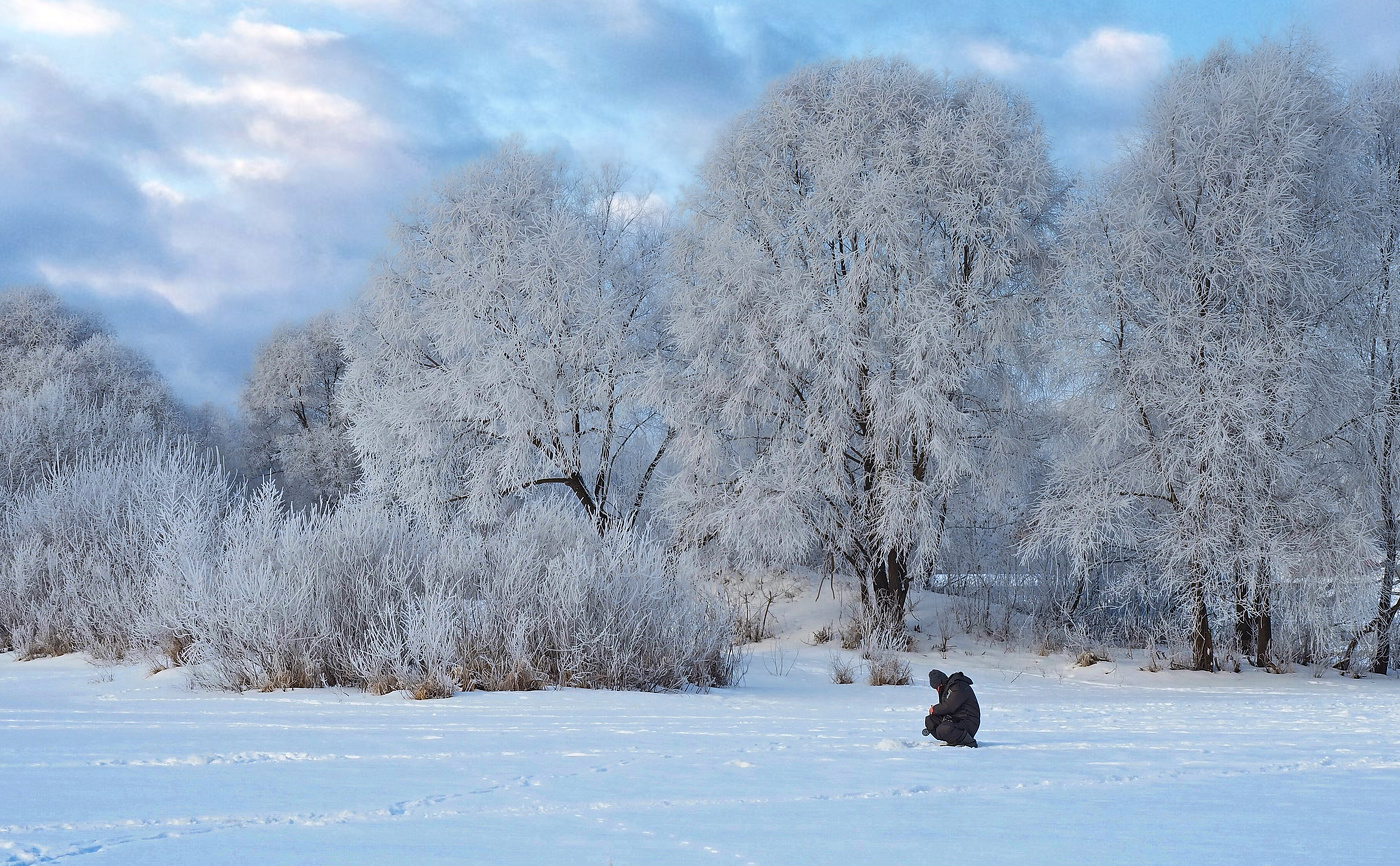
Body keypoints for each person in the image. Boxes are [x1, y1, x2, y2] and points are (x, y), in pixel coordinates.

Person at [921, 669, 979, 747]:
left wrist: (934, 709)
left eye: (937, 687)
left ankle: (968, 742)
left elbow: (949, 707)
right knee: (930, 721)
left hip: (968, 721)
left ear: (941, 683)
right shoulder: (948, 689)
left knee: (943, 729)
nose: (937, 690)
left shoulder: (958, 686)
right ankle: (952, 740)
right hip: (956, 719)